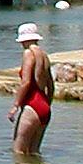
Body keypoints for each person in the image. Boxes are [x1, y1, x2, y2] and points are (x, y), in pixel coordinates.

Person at [8, 24, 54, 156]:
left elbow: (26, 82)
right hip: (44, 106)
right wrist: (46, 104)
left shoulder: (28, 53)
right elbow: (51, 85)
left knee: (19, 152)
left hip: (32, 104)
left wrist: (15, 106)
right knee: (34, 153)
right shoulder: (44, 55)